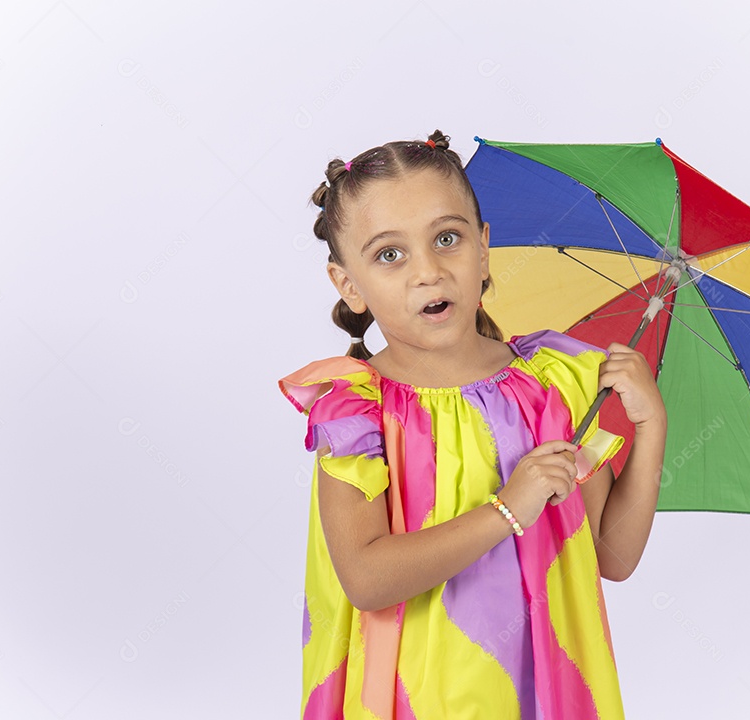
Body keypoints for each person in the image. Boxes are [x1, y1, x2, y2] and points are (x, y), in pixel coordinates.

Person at [278, 129, 666, 719]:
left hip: (541, 689)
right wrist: (508, 510)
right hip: (416, 693)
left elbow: (610, 556)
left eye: (448, 238)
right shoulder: (357, 410)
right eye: (390, 254)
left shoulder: (552, 387)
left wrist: (650, 428)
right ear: (348, 284)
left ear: (483, 249)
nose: (428, 271)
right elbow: (366, 577)